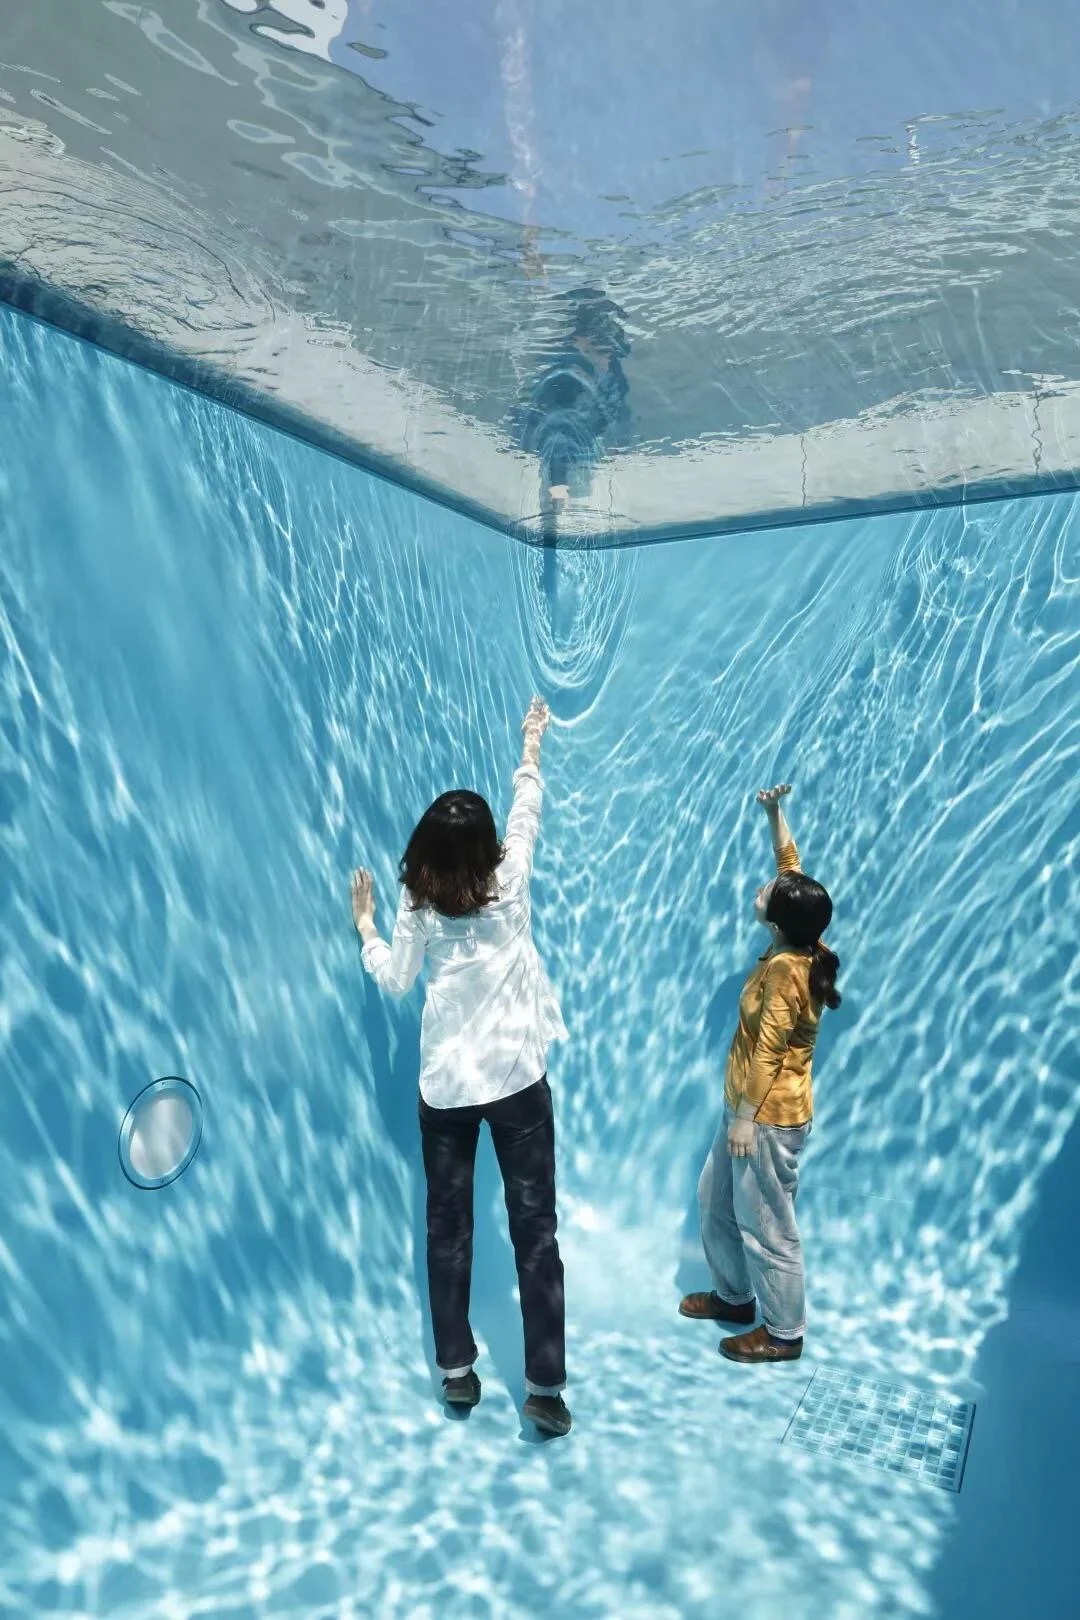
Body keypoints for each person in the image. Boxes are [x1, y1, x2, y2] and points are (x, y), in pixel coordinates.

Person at [351, 699, 572, 1436]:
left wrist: (365, 929)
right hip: (516, 1083)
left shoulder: (416, 903)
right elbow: (528, 802)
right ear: (486, 849)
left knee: (448, 1227)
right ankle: (544, 1388)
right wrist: (531, 739)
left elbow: (393, 979)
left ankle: (456, 1372)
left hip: (447, 1090)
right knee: (534, 1232)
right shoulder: (510, 882)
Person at [680, 783, 841, 1363]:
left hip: (767, 1118)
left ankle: (784, 1333)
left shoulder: (785, 975)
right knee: (713, 1201)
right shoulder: (804, 935)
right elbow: (791, 866)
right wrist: (776, 815)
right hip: (745, 1110)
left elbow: (770, 1052)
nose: (766, 883)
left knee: (768, 1225)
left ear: (776, 921)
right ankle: (733, 1296)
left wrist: (745, 1120)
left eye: (770, 891)